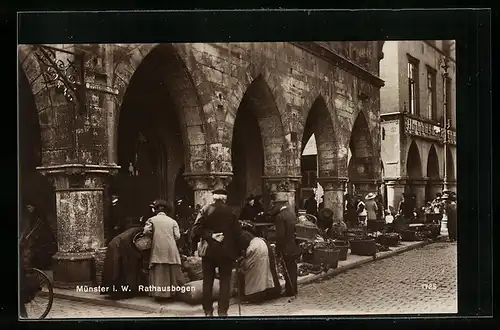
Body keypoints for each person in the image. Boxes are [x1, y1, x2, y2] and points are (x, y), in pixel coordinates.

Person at [192, 189, 243, 317]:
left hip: (209, 252)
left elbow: (196, 229)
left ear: (214, 198)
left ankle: (208, 311)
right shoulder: (232, 212)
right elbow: (238, 234)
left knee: (207, 281)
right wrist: (239, 252)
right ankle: (222, 312)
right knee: (225, 282)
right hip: (227, 253)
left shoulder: (205, 210)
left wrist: (211, 235)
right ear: (225, 199)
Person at [143, 199, 186, 301]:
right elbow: (178, 236)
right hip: (171, 248)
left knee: (159, 270)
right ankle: (171, 294)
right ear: (167, 211)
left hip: (157, 248)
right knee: (171, 270)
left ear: (156, 210)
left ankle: (159, 295)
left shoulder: (151, 220)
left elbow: (146, 232)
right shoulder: (173, 221)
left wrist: (155, 235)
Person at [101, 216, 145, 300]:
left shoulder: (134, 230)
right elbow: (138, 245)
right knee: (125, 270)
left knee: (115, 269)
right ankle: (125, 291)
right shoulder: (140, 233)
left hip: (115, 245)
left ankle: (114, 291)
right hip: (121, 247)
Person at [237, 230, 281, 303]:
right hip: (263, 249)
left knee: (255, 277)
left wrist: (242, 266)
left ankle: (253, 296)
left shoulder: (251, 245)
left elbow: (247, 264)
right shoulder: (258, 240)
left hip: (257, 252)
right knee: (267, 274)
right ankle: (270, 292)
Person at [270, 194, 300, 298]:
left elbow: (280, 236)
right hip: (293, 246)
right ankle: (293, 289)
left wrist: (278, 249)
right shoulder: (291, 214)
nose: (274, 207)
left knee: (287, 268)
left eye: (275, 204)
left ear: (279, 205)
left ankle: (290, 291)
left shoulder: (280, 216)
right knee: (292, 268)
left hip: (286, 247)